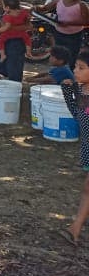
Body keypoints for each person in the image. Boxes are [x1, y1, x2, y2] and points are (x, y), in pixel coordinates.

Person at [56, 49, 89, 246]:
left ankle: (74, 228)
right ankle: (75, 228)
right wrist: (67, 91)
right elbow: (77, 116)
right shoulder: (81, 90)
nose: (75, 71)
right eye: (76, 67)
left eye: (82, 68)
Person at [36, 0, 89, 66]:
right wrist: (36, 8)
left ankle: (70, 75)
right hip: (59, 34)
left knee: (71, 57)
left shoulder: (82, 6)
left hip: (75, 36)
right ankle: (59, 74)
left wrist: (69, 23)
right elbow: (44, 8)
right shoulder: (57, 2)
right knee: (58, 56)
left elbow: (86, 21)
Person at [0, 0, 31, 82]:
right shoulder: (9, 13)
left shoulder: (10, 14)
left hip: (15, 44)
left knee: (14, 73)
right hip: (7, 43)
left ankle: (13, 91)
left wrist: (0, 30)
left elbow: (28, 26)